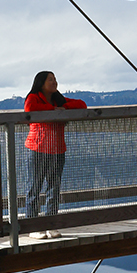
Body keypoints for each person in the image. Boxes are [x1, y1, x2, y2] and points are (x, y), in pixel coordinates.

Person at [23, 70, 86, 239]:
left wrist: (62, 108)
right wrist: (54, 110)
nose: (54, 82)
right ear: (41, 83)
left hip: (57, 149)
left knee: (54, 188)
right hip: (38, 148)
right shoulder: (34, 97)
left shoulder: (60, 99)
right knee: (34, 188)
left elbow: (81, 104)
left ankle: (51, 225)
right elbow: (30, 108)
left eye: (55, 79)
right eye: (50, 80)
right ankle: (33, 226)